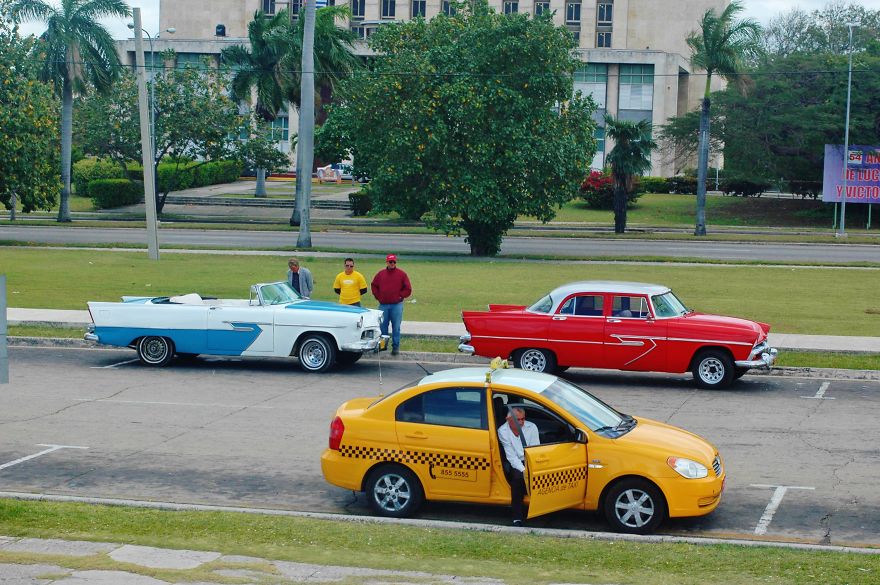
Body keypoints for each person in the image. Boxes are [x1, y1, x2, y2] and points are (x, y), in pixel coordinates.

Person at [497, 406, 540, 526]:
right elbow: (511, 456)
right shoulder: (503, 431)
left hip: (531, 459)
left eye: (523, 419)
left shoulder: (532, 427)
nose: (521, 422)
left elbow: (535, 450)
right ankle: (517, 517)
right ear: (508, 419)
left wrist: (530, 468)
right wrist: (524, 471)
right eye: (518, 420)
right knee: (517, 479)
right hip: (515, 462)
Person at [371, 254, 412, 356]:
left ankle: (395, 347)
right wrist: (378, 297)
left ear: (395, 263)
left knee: (396, 327)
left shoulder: (402, 274)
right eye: (390, 262)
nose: (392, 263)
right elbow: (374, 285)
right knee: (382, 327)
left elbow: (408, 289)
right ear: (387, 262)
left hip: (396, 305)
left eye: (394, 262)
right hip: (383, 305)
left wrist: (400, 296)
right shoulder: (380, 274)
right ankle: (383, 346)